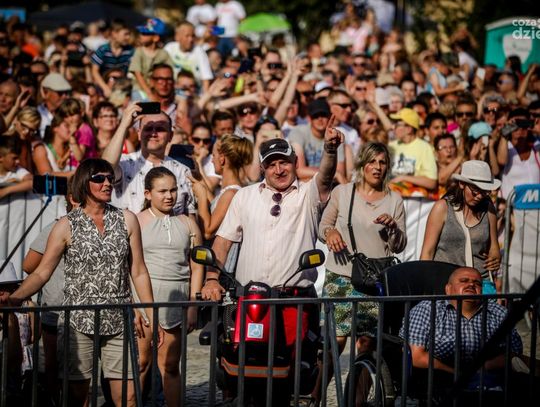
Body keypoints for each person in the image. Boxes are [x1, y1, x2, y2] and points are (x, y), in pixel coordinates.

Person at [2, 158, 162, 407]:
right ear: (84, 183)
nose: (107, 183)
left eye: (110, 178)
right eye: (99, 178)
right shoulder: (66, 225)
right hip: (77, 322)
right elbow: (42, 272)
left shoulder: (127, 219)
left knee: (128, 397)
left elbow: (139, 271)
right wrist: (14, 298)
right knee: (77, 397)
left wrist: (152, 314)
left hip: (119, 319)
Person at [312, 142, 407, 405]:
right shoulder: (343, 192)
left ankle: (357, 401)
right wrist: (331, 233)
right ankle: (314, 397)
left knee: (368, 343)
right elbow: (323, 226)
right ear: (362, 164)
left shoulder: (394, 199)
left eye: (382, 162)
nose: (377, 167)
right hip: (341, 275)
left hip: (374, 280)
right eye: (372, 161)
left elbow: (400, 245)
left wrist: (393, 228)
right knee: (335, 341)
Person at [135, 167, 203, 407]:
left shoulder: (188, 223)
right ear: (147, 193)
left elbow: (197, 267)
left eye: (173, 190)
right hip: (143, 303)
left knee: (171, 365)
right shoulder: (136, 222)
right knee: (140, 364)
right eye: (162, 191)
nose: (169, 196)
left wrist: (193, 305)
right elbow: (127, 267)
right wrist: (133, 308)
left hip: (176, 302)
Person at [400, 267, 522, 398]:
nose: (471, 285)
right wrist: (456, 372)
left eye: (477, 283)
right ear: (448, 289)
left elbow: (514, 354)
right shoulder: (428, 308)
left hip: (491, 381)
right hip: (439, 381)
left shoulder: (498, 312)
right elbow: (416, 356)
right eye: (464, 281)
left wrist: (483, 367)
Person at [101, 104, 196, 216]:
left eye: (160, 129)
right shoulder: (124, 164)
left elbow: (191, 218)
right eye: (148, 128)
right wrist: (123, 125)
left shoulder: (183, 171)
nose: (153, 133)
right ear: (139, 134)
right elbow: (104, 167)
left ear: (170, 135)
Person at [421, 160, 501, 290]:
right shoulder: (442, 208)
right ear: (462, 184)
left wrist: (495, 258)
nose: (480, 196)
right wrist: (426, 286)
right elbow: (427, 252)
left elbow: (494, 248)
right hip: (446, 284)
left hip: (480, 284)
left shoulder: (489, 208)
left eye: (485, 191)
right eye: (475, 191)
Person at [191, 134, 252, 269]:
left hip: (223, 269)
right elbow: (215, 205)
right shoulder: (230, 191)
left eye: (213, 155)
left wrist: (201, 196)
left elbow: (208, 231)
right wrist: (199, 177)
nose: (212, 160)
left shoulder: (231, 193)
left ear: (222, 158)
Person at [289, 99, 347, 184]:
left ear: (329, 117)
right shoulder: (298, 132)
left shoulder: (335, 135)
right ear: (309, 118)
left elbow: (340, 173)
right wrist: (333, 174)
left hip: (328, 182)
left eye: (323, 115)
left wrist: (335, 175)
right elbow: (299, 171)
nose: (320, 119)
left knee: (347, 149)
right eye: (315, 116)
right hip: (304, 184)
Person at [129, 18, 173, 101]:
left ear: (155, 38)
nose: (140, 35)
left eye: (145, 33)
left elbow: (170, 72)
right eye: (141, 33)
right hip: (140, 89)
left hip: (158, 89)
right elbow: (137, 74)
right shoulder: (139, 51)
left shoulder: (163, 54)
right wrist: (149, 93)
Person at [91, 20, 135, 97]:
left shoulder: (130, 51)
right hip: (103, 84)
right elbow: (95, 71)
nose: (128, 37)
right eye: (125, 34)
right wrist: (105, 88)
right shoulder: (103, 50)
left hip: (122, 85)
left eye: (129, 34)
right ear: (114, 34)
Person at [164, 21, 213, 90]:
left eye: (193, 36)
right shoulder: (170, 48)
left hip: (193, 92)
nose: (191, 39)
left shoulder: (199, 51)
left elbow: (206, 79)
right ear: (177, 37)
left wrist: (205, 95)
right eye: (187, 36)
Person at [0, 135, 33, 200]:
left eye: (18, 158)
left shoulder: (18, 169)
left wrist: (6, 190)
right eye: (14, 158)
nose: (18, 161)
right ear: (0, 157)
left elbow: (33, 182)